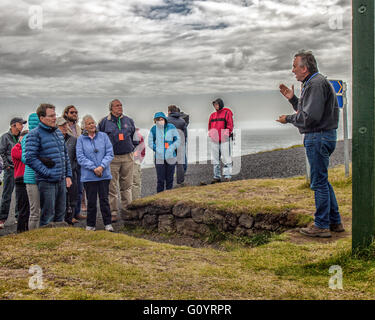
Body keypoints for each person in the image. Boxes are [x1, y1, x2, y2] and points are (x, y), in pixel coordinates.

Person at [278, 50, 344, 238]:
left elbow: (310, 117)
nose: (293, 71)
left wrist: (288, 119)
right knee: (323, 179)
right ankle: (335, 221)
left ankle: (322, 225)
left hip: (318, 137)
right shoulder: (315, 82)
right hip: (325, 136)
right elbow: (309, 110)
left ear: (304, 68)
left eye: (294, 66)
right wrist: (293, 99)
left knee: (318, 182)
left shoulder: (315, 84)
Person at [25, 104, 72, 227]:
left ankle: (60, 244)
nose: (54, 118)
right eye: (51, 116)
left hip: (61, 180)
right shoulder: (34, 134)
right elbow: (30, 158)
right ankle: (46, 243)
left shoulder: (57, 132)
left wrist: (68, 175)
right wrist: (48, 173)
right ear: (41, 118)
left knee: (60, 214)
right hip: (47, 182)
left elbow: (65, 155)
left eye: (54, 115)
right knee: (48, 216)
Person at [98, 99, 137, 222]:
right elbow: (100, 139)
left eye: (121, 105)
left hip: (127, 156)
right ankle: (113, 212)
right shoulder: (104, 122)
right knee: (112, 186)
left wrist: (131, 148)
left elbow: (134, 137)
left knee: (127, 186)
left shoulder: (129, 121)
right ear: (111, 108)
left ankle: (127, 211)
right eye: (117, 106)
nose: (120, 107)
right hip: (112, 158)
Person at [76, 115, 114, 232]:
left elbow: (109, 153)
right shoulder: (81, 140)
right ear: (84, 127)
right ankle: (90, 224)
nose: (92, 125)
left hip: (104, 174)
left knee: (104, 200)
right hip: (89, 176)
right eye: (89, 123)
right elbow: (80, 157)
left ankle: (108, 223)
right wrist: (94, 168)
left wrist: (101, 166)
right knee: (91, 201)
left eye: (93, 122)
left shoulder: (103, 136)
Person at [0, 117, 26, 229]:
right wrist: (6, 166)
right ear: (13, 125)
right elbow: (1, 152)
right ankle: (2, 218)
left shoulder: (21, 137)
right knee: (7, 194)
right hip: (10, 169)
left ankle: (18, 216)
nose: (22, 126)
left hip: (19, 169)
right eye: (21, 124)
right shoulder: (5, 137)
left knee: (19, 194)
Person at [63, 105, 87, 220]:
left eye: (76, 112)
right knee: (70, 190)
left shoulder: (78, 128)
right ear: (66, 113)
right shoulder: (63, 127)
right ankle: (70, 215)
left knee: (79, 189)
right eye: (72, 112)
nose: (74, 114)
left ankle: (77, 212)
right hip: (69, 162)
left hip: (79, 161)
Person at [148, 112, 180, 193]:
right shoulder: (154, 129)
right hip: (159, 158)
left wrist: (172, 148)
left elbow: (178, 140)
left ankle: (169, 197)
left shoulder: (171, 127)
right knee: (160, 180)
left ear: (165, 119)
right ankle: (159, 196)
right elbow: (150, 142)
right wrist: (157, 149)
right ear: (155, 121)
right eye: (158, 120)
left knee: (170, 179)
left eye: (161, 119)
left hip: (171, 157)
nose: (160, 121)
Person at [57, 117, 79, 225]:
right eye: (62, 125)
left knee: (72, 197)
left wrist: (73, 168)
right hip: (59, 174)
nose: (65, 127)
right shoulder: (54, 140)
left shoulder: (74, 140)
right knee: (61, 198)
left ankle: (70, 218)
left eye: (65, 125)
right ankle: (61, 220)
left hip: (72, 173)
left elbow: (77, 157)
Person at [21, 113, 41, 230]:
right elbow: (25, 158)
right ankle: (33, 235)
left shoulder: (38, 136)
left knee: (37, 211)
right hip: (32, 178)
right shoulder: (28, 137)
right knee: (34, 211)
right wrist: (40, 160)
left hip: (41, 177)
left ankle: (39, 234)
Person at [208, 98, 234, 183]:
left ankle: (227, 176)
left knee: (226, 159)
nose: (216, 106)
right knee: (215, 160)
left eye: (217, 104)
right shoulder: (212, 115)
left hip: (224, 140)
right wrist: (211, 134)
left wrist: (226, 135)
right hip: (214, 140)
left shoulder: (227, 113)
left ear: (221, 104)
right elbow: (210, 126)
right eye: (214, 105)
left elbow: (230, 125)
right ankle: (216, 177)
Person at [11, 130, 29, 233]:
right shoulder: (15, 149)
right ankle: (21, 230)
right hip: (20, 179)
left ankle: (27, 229)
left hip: (29, 178)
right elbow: (25, 157)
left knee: (29, 207)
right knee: (22, 207)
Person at [167, 105, 187, 186]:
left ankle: (169, 180)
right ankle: (180, 181)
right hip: (179, 144)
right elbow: (185, 134)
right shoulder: (182, 121)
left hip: (169, 144)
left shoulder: (166, 120)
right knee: (180, 164)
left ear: (169, 111)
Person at [132, 128, 145, 200]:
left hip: (135, 161)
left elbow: (143, 149)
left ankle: (136, 200)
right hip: (127, 160)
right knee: (129, 183)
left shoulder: (138, 135)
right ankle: (131, 201)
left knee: (135, 182)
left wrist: (139, 159)